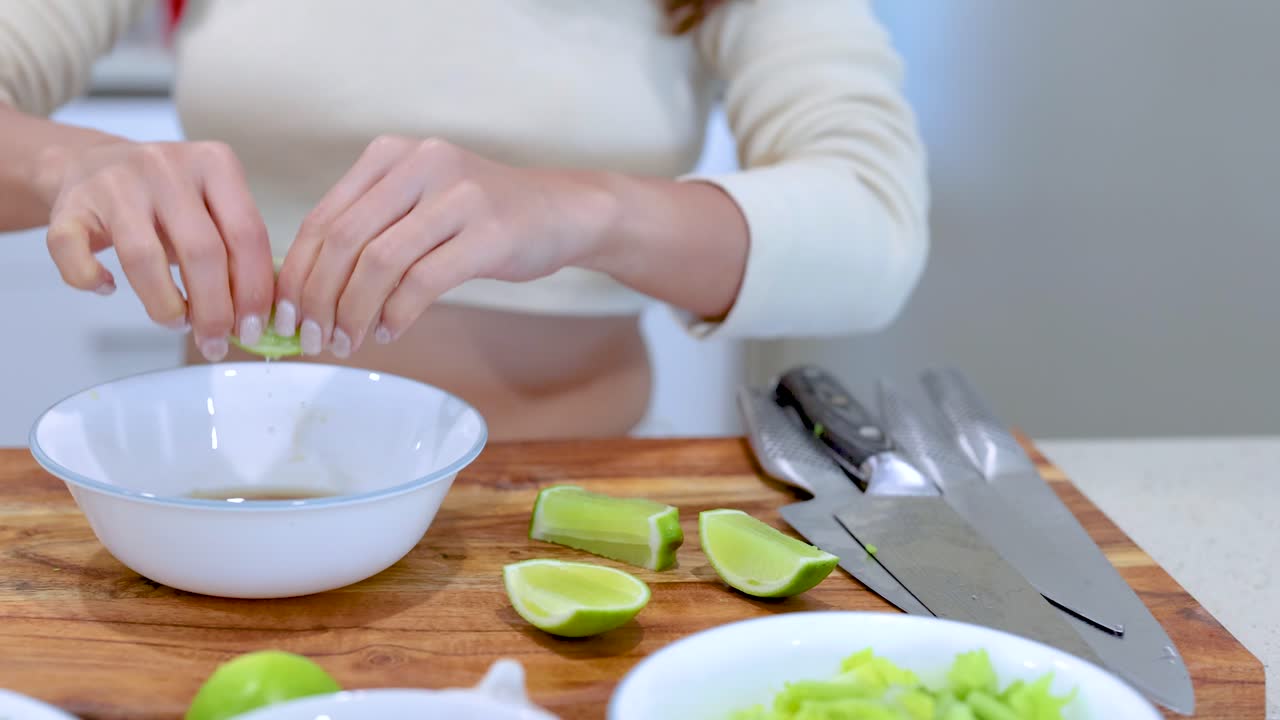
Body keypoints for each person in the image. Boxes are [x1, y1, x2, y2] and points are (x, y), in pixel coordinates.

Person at [0, 0, 929, 441]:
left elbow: (873, 225)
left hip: (558, 507)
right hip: (222, 488)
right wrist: (66, 162)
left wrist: (585, 208)